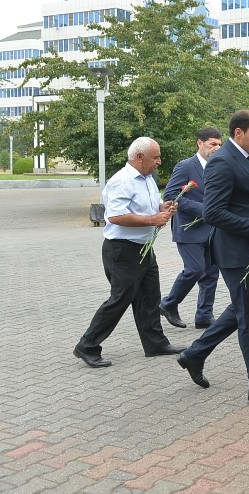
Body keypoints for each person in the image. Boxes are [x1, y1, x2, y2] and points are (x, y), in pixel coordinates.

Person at [176, 110, 249, 405]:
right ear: (239, 133)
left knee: (242, 309)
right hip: (234, 252)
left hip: (247, 250)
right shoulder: (222, 161)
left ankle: (194, 354)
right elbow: (213, 212)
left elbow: (247, 199)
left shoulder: (247, 158)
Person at [73, 137, 184, 367]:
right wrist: (153, 219)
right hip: (122, 249)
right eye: (156, 157)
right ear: (140, 157)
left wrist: (163, 209)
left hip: (144, 247)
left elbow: (150, 207)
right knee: (119, 300)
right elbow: (115, 216)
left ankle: (155, 343)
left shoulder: (147, 179)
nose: (159, 162)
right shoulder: (122, 181)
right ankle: (87, 345)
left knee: (149, 296)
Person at [158, 127, 223, 330]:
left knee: (211, 272)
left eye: (219, 145)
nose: (217, 148)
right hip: (189, 229)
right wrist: (204, 210)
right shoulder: (186, 166)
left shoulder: (219, 167)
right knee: (195, 269)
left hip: (213, 229)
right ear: (200, 143)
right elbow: (170, 196)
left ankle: (204, 315)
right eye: (213, 144)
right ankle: (168, 304)